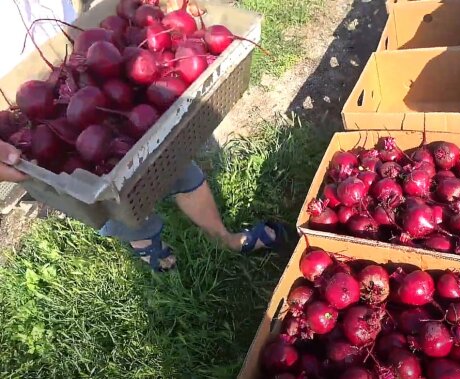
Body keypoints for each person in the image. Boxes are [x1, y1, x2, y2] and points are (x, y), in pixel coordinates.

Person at [1, 0, 281, 271]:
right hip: (21, 95)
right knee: (102, 197)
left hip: (73, 48)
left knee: (172, 154)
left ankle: (222, 236)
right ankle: (147, 243)